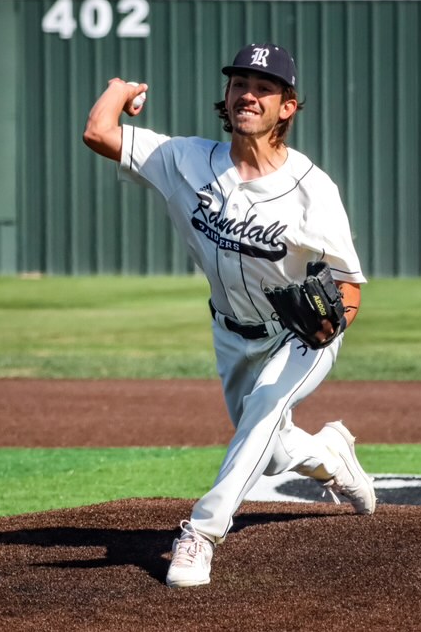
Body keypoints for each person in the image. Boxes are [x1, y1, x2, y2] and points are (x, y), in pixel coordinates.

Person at [83, 43, 376, 588]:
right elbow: (99, 134)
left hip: (298, 335)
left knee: (266, 406)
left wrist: (333, 325)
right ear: (227, 96)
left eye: (263, 88)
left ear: (286, 107)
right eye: (240, 83)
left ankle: (202, 532)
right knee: (269, 449)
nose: (248, 94)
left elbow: (350, 284)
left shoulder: (312, 190)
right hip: (230, 332)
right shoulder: (185, 160)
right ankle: (330, 455)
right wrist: (119, 90)